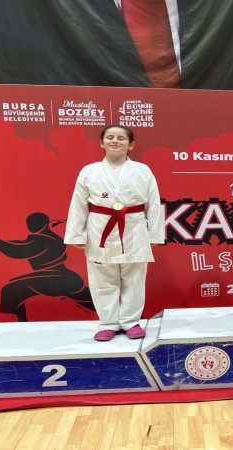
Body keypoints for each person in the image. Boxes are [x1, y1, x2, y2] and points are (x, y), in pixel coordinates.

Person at [64, 125, 164, 341]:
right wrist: (76, 234)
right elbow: (78, 203)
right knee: (102, 280)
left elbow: (154, 204)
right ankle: (108, 323)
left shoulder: (143, 170)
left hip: (134, 228)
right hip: (100, 228)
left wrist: (155, 234)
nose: (115, 141)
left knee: (134, 278)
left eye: (121, 138)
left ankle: (131, 322)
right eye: (110, 137)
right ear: (102, 143)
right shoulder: (89, 171)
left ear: (131, 144)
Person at [0, 212, 95, 321]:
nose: (30, 226)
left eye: (33, 223)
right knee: (86, 298)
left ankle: (21, 320)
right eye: (29, 223)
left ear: (44, 223)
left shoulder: (44, 240)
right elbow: (20, 245)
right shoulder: (47, 238)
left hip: (54, 277)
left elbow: (19, 250)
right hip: (59, 276)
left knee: (10, 289)